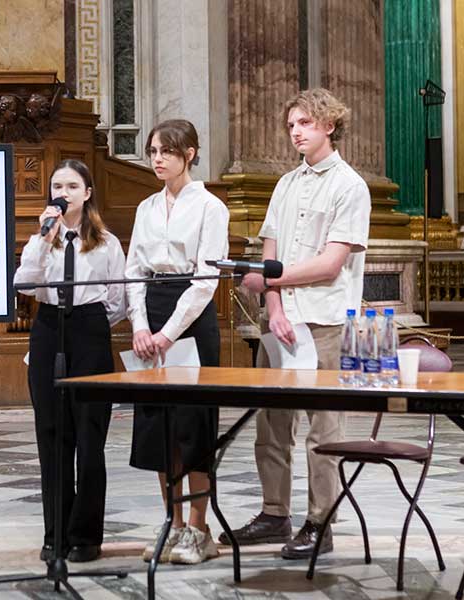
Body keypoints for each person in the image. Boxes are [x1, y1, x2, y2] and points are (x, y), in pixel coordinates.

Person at [220, 88, 371, 560]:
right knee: (271, 425)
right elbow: (271, 253)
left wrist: (271, 280)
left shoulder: (350, 186)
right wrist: (275, 307)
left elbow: (330, 264)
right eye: (291, 125)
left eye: (305, 123)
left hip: (326, 320)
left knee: (323, 429)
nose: (296, 132)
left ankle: (320, 522)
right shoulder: (285, 184)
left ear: (329, 125)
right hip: (282, 320)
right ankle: (274, 513)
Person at [125, 119, 229, 565]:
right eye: (153, 151)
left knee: (193, 426)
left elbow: (206, 279)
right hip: (152, 310)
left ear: (189, 154)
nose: (157, 159)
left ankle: (200, 530)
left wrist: (168, 333)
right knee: (159, 428)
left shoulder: (210, 207)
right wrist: (139, 325)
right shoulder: (146, 207)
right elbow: (133, 270)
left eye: (166, 151)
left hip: (192, 317)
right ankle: (173, 522)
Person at [13, 159, 126, 564]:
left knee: (90, 439)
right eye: (57, 186)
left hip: (90, 332)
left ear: (87, 193)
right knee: (52, 436)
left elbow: (117, 301)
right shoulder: (42, 238)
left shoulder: (107, 243)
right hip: (48, 328)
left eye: (72, 186)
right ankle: (56, 534)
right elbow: (24, 284)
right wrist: (44, 239)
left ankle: (86, 536)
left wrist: (87, 325)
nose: (63, 193)